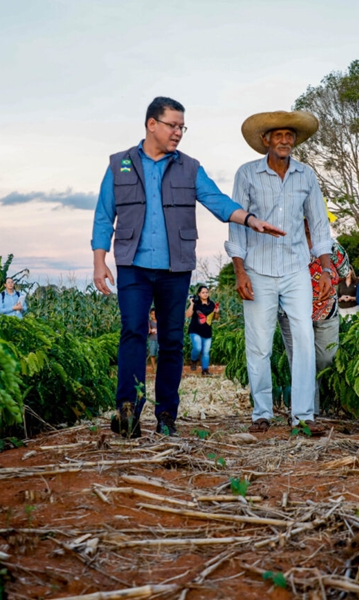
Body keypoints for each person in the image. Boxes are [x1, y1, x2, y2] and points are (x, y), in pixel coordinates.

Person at [91, 96, 284, 439]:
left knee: (171, 341)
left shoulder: (190, 167)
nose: (178, 132)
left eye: (182, 127)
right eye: (172, 125)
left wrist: (250, 219)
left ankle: (166, 416)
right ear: (152, 124)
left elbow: (217, 200)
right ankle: (128, 411)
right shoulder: (119, 164)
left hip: (175, 269)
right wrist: (99, 261)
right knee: (133, 333)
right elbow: (105, 215)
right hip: (132, 266)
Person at [226, 110, 333, 436]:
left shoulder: (306, 176)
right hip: (258, 269)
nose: (285, 140)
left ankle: (303, 416)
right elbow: (237, 223)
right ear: (266, 141)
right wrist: (240, 271)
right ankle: (261, 413)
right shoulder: (247, 174)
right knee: (259, 344)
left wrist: (325, 269)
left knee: (303, 340)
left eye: (290, 136)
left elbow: (318, 223)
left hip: (296, 268)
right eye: (279, 135)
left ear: (294, 141)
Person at [278, 219, 350, 417]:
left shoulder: (332, 246)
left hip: (326, 312)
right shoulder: (285, 246)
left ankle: (314, 405)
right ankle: (308, 414)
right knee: (300, 362)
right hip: (292, 313)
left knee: (326, 358)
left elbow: (345, 272)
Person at [186, 285, 219, 377]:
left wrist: (216, 312)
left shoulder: (212, 304)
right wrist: (191, 304)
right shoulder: (195, 303)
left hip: (207, 331)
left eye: (206, 292)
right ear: (199, 294)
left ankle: (205, 370)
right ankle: (193, 360)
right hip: (195, 330)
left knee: (205, 352)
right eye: (203, 292)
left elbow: (215, 318)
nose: (205, 294)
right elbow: (187, 315)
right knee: (197, 348)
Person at [147, 308, 158, 374]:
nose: (153, 316)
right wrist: (151, 330)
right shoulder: (149, 322)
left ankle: (158, 367)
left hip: (159, 340)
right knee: (152, 354)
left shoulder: (160, 322)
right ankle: (154, 368)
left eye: (155, 314)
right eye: (152, 314)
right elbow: (148, 330)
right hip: (152, 340)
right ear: (150, 315)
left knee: (160, 353)